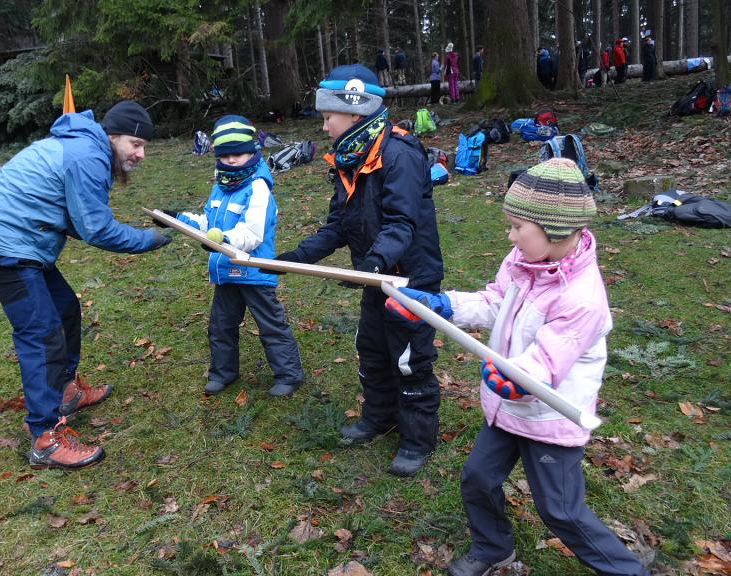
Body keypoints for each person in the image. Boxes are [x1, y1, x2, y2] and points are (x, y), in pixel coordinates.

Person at [384, 158, 648, 576]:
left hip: (548, 414)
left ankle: (627, 570)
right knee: (477, 478)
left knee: (560, 511)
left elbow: (547, 360)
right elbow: (494, 301)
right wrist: (444, 305)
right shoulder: (523, 260)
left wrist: (517, 380)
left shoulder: (581, 298)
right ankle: (492, 548)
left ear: (556, 231)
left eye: (517, 227)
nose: (510, 235)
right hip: (507, 408)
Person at [0, 101, 173, 470]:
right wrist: (149, 240)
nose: (141, 154)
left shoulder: (87, 148)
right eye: (135, 144)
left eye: (144, 147)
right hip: (3, 248)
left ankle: (65, 391)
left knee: (64, 310)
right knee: (42, 333)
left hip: (23, 242)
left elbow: (77, 218)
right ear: (113, 137)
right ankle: (45, 438)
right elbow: (96, 229)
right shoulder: (86, 156)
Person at [274, 64, 444, 477]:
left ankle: (417, 437)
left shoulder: (398, 154)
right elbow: (339, 225)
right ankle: (379, 416)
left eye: (328, 116)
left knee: (408, 357)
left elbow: (402, 224)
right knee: (371, 347)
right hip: (376, 275)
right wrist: (295, 258)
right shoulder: (350, 158)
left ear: (355, 112)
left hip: (410, 278)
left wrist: (374, 262)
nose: (325, 125)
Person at [164, 116, 304, 397]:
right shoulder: (220, 186)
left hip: (254, 272)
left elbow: (252, 234)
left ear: (252, 152)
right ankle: (223, 372)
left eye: (237, 153)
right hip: (226, 271)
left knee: (270, 325)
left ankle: (289, 375)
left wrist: (224, 241)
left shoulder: (258, 188)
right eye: (224, 154)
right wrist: (178, 220)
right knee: (221, 326)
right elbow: (208, 223)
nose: (231, 160)